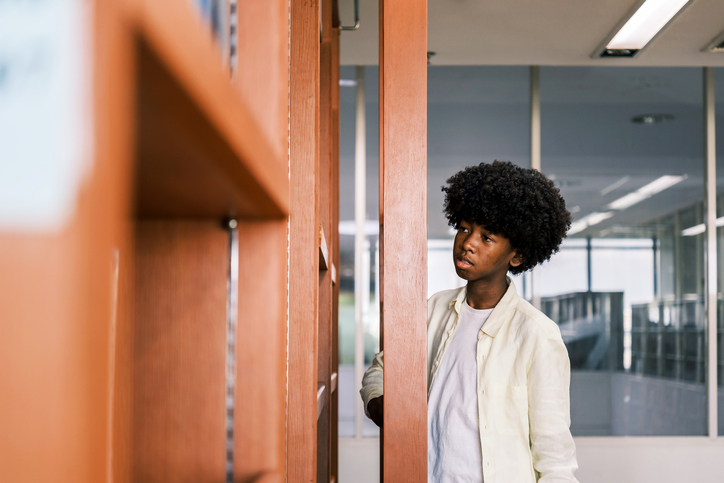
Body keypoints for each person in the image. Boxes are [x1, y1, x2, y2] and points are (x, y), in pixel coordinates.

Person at [360, 160, 579, 482]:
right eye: (464, 228)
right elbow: (381, 369)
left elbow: (554, 456)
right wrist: (380, 405)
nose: (468, 243)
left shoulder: (537, 335)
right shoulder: (432, 310)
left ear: (516, 256)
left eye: (487, 237)